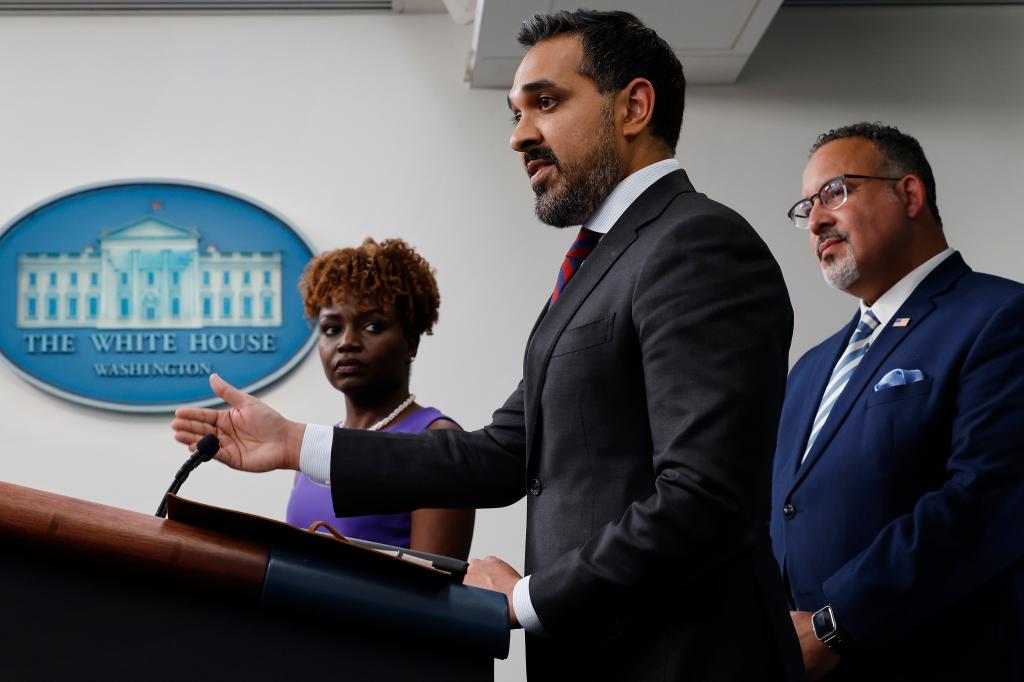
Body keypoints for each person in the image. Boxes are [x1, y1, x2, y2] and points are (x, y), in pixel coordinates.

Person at [173, 10, 802, 681]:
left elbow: (706, 500)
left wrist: (529, 598)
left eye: (547, 103)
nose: (520, 136)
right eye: (515, 113)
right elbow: (500, 455)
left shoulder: (697, 245)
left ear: (634, 107)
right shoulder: (601, 265)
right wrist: (296, 444)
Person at [770, 122, 1024, 681]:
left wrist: (837, 626)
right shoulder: (811, 368)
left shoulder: (1002, 317)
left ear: (909, 194)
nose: (815, 220)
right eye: (805, 207)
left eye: (835, 192)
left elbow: (983, 500)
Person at [286, 238, 474, 560]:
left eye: (372, 326)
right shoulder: (317, 448)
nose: (346, 342)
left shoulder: (438, 441)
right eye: (331, 328)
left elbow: (435, 595)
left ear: (411, 342)